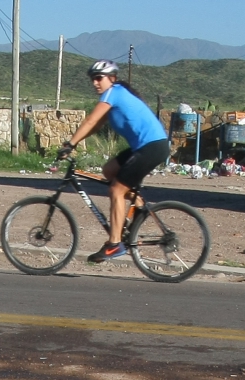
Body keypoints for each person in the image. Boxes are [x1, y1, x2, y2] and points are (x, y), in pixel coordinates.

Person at [59, 60, 169, 263]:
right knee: (109, 170)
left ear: (112, 78)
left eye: (99, 78)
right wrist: (73, 143)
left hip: (152, 147)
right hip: (146, 146)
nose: (95, 83)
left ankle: (114, 244)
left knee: (116, 190)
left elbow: (89, 120)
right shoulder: (111, 100)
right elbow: (94, 126)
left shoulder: (114, 93)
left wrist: (71, 144)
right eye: (93, 79)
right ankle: (139, 206)